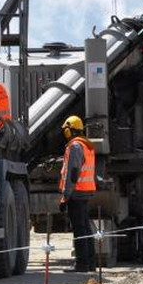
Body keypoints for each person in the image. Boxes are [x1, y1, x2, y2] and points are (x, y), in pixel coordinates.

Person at [59, 115, 97, 272]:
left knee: (79, 229)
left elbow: (72, 173)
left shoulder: (74, 146)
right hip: (86, 190)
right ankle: (91, 263)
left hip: (77, 192)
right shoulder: (86, 145)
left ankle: (82, 264)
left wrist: (65, 196)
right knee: (86, 228)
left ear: (70, 130)